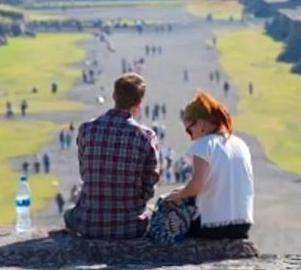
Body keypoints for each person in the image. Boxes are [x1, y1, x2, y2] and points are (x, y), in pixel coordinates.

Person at [64, 73, 159, 239]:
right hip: (131, 225)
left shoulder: (87, 129)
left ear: (113, 96)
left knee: (68, 215)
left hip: (88, 223)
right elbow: (149, 184)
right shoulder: (146, 136)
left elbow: (85, 174)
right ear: (138, 103)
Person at [167, 91, 254, 240]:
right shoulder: (240, 144)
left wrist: (178, 195)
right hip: (243, 225)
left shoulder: (204, 145)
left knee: (169, 213)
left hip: (212, 226)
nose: (191, 136)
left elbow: (197, 185)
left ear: (200, 122)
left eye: (189, 130)